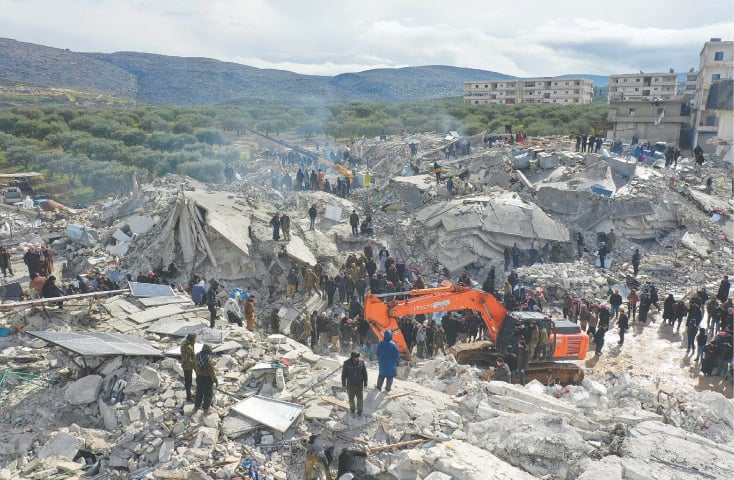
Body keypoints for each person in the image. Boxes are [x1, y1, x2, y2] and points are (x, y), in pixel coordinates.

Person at [192, 344, 218, 413]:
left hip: (199, 378)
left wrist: (197, 373)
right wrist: (215, 380)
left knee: (199, 393)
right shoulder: (208, 359)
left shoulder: (196, 356)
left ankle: (196, 407)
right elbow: (211, 372)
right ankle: (206, 409)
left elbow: (194, 366)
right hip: (207, 379)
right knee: (208, 394)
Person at [341, 351, 368, 416]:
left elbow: (365, 374)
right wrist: (344, 385)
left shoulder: (361, 362)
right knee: (351, 398)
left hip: (359, 385)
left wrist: (365, 383)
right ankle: (352, 409)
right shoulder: (346, 363)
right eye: (356, 357)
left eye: (358, 357)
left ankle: (360, 411)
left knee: (360, 398)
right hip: (350, 385)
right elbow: (344, 375)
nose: (358, 358)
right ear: (353, 357)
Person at [180, 333, 196, 402]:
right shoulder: (188, 347)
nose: (195, 340)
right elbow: (189, 359)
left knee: (187, 381)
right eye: (195, 339)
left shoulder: (184, 343)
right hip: (188, 366)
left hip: (185, 365)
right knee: (188, 381)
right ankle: (189, 397)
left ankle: (188, 395)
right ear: (192, 339)